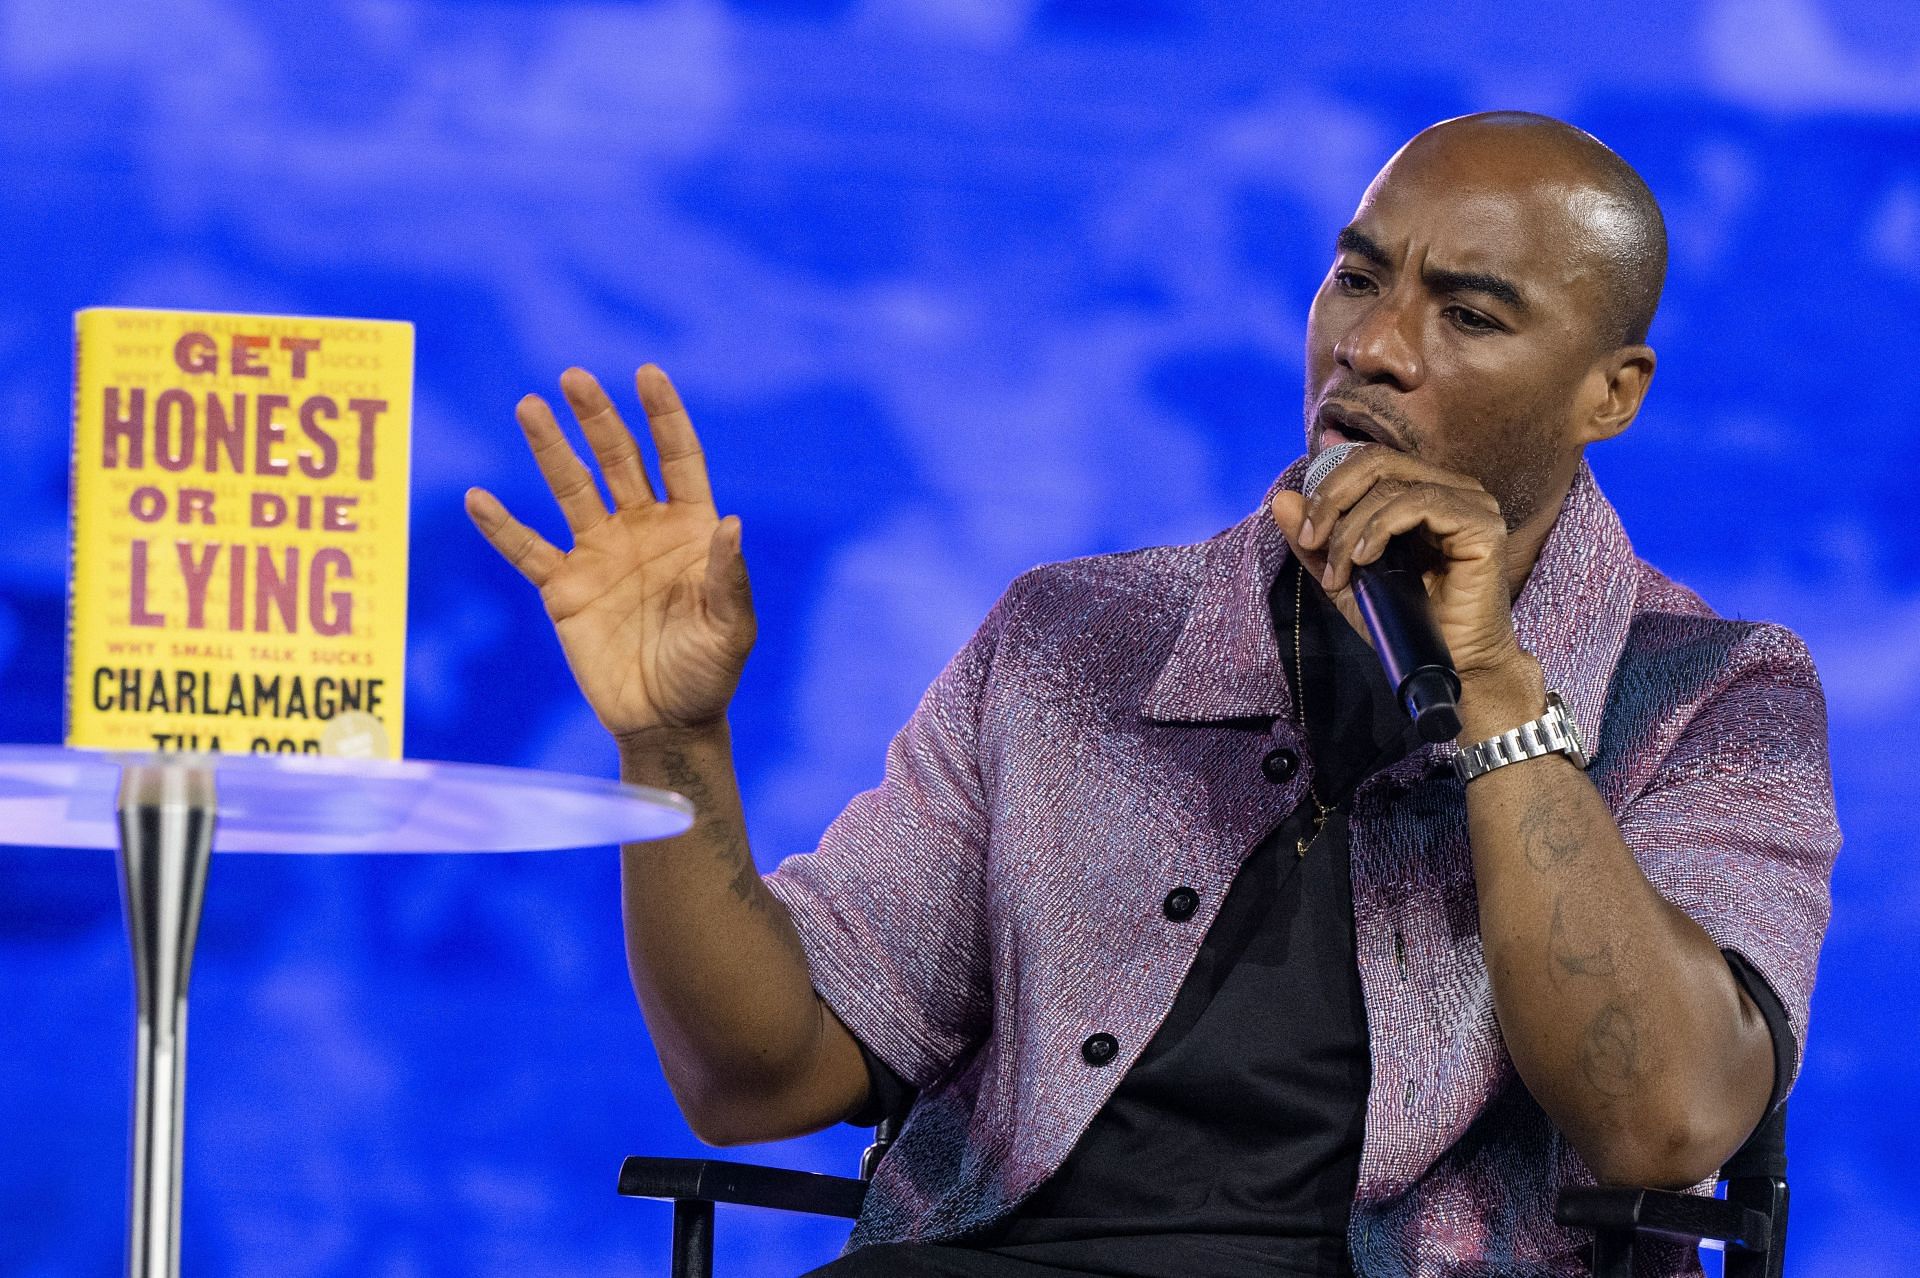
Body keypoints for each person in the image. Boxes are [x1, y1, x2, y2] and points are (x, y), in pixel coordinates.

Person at [465, 112, 1838, 1277]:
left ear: (1612, 393)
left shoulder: (1715, 693)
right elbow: (755, 1078)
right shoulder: (1076, 634)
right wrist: (673, 737)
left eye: (1470, 313)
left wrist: (1491, 693)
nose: (1378, 346)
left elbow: (1664, 1123)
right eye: (1358, 282)